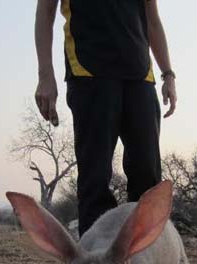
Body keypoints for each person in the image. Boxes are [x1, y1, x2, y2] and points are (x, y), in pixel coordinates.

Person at [34, 0, 177, 235]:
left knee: (148, 176)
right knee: (95, 179)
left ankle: (147, 262)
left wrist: (168, 74)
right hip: (89, 72)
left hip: (140, 76)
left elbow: (152, 19)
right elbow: (46, 10)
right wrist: (45, 74)